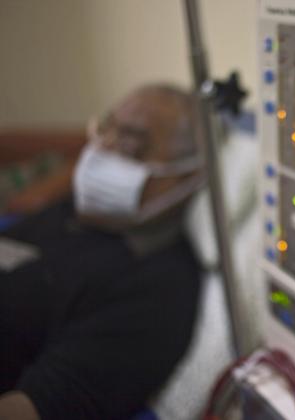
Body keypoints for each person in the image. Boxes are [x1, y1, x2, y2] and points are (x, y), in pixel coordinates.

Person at [0, 84, 205, 420]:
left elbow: (31, 410)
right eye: (105, 129)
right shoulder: (70, 211)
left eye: (130, 142)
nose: (102, 149)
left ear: (188, 175)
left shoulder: (154, 289)